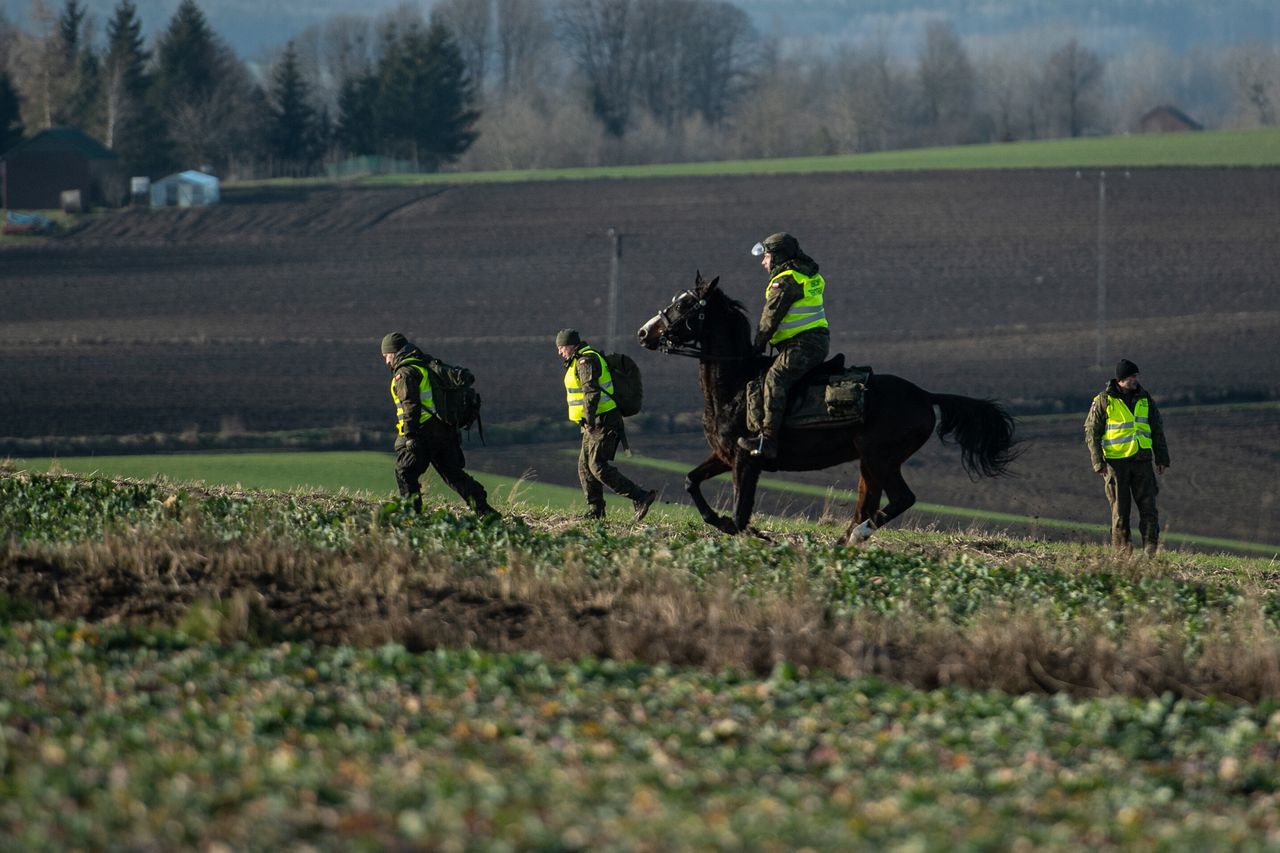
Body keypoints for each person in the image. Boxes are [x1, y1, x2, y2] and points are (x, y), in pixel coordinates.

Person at [382, 332, 498, 519]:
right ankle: (484, 510)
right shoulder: (424, 365)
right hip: (444, 429)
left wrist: (410, 436)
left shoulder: (404, 373)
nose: (386, 361)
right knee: (452, 474)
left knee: (404, 472)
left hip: (424, 432)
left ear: (394, 352)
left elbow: (410, 405)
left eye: (386, 355)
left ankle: (412, 516)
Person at [737, 232, 831, 460]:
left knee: (775, 378)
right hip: (810, 342)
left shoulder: (787, 280)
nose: (763, 262)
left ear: (778, 257)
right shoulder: (806, 274)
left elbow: (770, 318)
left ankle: (767, 440)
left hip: (803, 344)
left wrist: (756, 346)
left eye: (767, 256)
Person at [556, 328, 657, 521]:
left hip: (602, 421)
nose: (560, 352)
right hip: (593, 423)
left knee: (597, 466)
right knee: (584, 467)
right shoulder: (577, 360)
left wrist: (589, 417)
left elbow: (591, 392)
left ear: (571, 345)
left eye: (561, 347)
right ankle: (596, 510)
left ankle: (641, 496)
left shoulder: (585, 361)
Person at [1084, 358, 1170, 555]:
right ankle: (1123, 552)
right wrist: (1098, 462)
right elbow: (1092, 432)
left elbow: (1157, 428)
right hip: (1116, 464)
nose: (1136, 379)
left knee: (1149, 508)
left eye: (1136, 375)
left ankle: (1150, 549)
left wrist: (1162, 458)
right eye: (1132, 376)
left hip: (1142, 461)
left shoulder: (1145, 398)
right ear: (1121, 379)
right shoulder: (1104, 400)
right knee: (1120, 512)